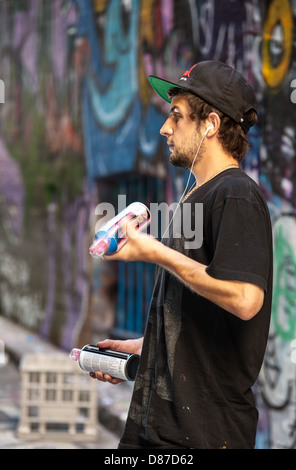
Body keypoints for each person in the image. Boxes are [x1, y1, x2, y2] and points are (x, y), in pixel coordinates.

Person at [91, 60, 273, 449]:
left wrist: (155, 252)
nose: (165, 128)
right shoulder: (199, 194)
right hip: (158, 429)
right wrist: (146, 345)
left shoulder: (236, 193)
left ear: (210, 125)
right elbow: (200, 317)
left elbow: (245, 298)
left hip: (204, 435)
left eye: (177, 116)